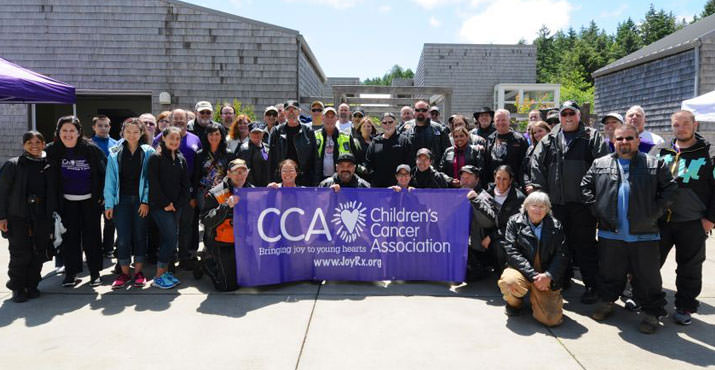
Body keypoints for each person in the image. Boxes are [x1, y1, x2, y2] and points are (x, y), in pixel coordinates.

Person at [582, 123, 677, 334]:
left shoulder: (655, 164)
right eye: (619, 138)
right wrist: (598, 210)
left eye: (628, 138)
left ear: (637, 140)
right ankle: (607, 303)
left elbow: (670, 189)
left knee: (648, 277)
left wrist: (655, 212)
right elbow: (585, 187)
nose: (624, 142)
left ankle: (651, 314)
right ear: (613, 141)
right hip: (610, 232)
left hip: (644, 234)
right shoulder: (600, 163)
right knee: (609, 273)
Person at [530, 100, 609, 304]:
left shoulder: (592, 137)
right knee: (558, 245)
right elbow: (537, 167)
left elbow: (603, 167)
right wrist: (542, 198)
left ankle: (592, 285)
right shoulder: (549, 140)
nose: (567, 118)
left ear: (578, 116)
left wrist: (594, 197)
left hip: (583, 205)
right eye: (564, 114)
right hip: (556, 204)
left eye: (571, 114)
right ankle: (561, 280)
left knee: (585, 246)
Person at [651, 110, 715, 325]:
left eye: (686, 123)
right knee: (651, 263)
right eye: (677, 125)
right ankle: (650, 302)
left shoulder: (708, 154)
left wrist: (710, 219)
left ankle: (685, 306)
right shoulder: (662, 151)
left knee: (690, 267)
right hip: (661, 221)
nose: (681, 128)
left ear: (694, 124)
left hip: (692, 222)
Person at [45, 116, 107, 287]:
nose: (68, 134)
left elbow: (104, 173)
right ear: (58, 132)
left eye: (72, 130)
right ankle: (71, 273)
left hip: (89, 202)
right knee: (70, 239)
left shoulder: (91, 149)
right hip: (66, 202)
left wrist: (102, 196)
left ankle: (95, 273)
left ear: (79, 132)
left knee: (92, 238)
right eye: (64, 130)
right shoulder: (52, 150)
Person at [498, 191, 568, 327]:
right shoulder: (514, 222)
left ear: (547, 209)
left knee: (552, 320)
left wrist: (549, 275)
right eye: (534, 205)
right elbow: (511, 251)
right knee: (509, 281)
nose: (537, 210)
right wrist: (533, 275)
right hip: (522, 271)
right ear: (526, 206)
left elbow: (562, 254)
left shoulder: (556, 226)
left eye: (542, 207)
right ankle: (515, 303)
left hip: (544, 275)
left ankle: (537, 300)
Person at [0, 131, 56, 302]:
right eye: (29, 142)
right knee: (20, 253)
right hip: (18, 216)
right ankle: (18, 287)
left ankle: (32, 285)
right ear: (23, 145)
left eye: (38, 142)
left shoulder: (48, 165)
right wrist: (2, 217)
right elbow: (2, 193)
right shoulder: (13, 165)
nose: (34, 145)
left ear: (44, 144)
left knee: (38, 252)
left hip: (42, 217)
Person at [104, 118, 155, 289]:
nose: (131, 135)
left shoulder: (148, 152)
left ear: (141, 133)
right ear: (122, 132)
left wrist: (145, 201)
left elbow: (150, 178)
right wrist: (109, 204)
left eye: (135, 131)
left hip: (140, 202)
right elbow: (110, 180)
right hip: (121, 202)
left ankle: (139, 272)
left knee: (140, 236)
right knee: (123, 238)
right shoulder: (114, 152)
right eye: (128, 131)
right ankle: (124, 273)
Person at [153, 109, 202, 271]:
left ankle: (184, 257)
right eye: (177, 118)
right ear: (171, 119)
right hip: (165, 197)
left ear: (188, 120)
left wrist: (192, 194)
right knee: (169, 231)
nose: (180, 121)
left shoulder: (195, 139)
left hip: (186, 193)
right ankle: (169, 260)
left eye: (183, 118)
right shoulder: (160, 139)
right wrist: (165, 200)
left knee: (186, 227)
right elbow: (154, 177)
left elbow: (197, 169)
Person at [200, 158, 253, 291]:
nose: (240, 175)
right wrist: (225, 206)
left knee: (254, 279)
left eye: (243, 171)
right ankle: (207, 263)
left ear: (248, 173)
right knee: (228, 286)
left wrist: (274, 190)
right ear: (228, 173)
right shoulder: (215, 193)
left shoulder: (253, 191)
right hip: (222, 243)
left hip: (245, 242)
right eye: (236, 172)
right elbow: (206, 220)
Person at [148, 126, 191, 289]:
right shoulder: (155, 158)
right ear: (163, 139)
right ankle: (158, 276)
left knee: (169, 239)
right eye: (171, 138)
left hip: (177, 207)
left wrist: (177, 204)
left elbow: (185, 185)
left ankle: (165, 272)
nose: (174, 141)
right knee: (171, 239)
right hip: (160, 207)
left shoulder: (181, 158)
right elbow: (154, 184)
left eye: (178, 138)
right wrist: (166, 204)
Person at [482, 165, 525, 272]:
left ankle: (503, 276)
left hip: (506, 235)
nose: (501, 181)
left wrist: (492, 237)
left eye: (505, 179)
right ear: (494, 177)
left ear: (511, 180)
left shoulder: (518, 198)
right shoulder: (487, 192)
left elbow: (514, 226)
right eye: (498, 178)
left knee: (499, 246)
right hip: (487, 231)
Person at [268, 100, 319, 186]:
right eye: (288, 110)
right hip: (282, 179)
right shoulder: (276, 131)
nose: (291, 112)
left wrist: (315, 182)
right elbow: (271, 159)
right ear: (284, 112)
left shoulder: (308, 131)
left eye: (294, 109)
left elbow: (315, 158)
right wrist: (271, 181)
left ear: (299, 111)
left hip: (304, 179)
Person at [90, 115, 118, 259]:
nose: (103, 128)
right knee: (93, 222)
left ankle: (108, 248)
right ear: (94, 127)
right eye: (100, 125)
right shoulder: (89, 144)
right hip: (94, 189)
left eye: (106, 125)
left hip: (111, 188)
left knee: (110, 221)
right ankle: (94, 249)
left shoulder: (116, 144)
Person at [193, 124, 236, 211]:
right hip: (204, 193)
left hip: (222, 191)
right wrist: (193, 196)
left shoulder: (229, 154)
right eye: (211, 134)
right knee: (206, 219)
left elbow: (232, 176)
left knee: (221, 218)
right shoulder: (200, 154)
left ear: (221, 136)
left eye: (217, 134)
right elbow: (196, 176)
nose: (214, 137)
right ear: (207, 136)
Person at [484, 109, 529, 185]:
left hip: (514, 185)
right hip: (494, 184)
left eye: (503, 120)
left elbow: (525, 164)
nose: (500, 123)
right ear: (494, 122)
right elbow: (486, 163)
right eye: (498, 120)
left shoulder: (519, 139)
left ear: (509, 121)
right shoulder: (490, 139)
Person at [365, 113, 410, 188]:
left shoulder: (404, 141)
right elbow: (369, 162)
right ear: (381, 125)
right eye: (384, 123)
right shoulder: (376, 141)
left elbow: (409, 162)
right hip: (379, 187)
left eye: (390, 122)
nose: (387, 125)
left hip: (399, 187)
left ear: (395, 122)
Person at [403, 100, 451, 164]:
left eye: (424, 110)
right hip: (411, 170)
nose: (420, 112)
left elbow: (447, 151)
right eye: (418, 110)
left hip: (433, 170)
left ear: (428, 112)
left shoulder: (439, 129)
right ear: (414, 112)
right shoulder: (405, 127)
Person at [314, 107, 353, 181]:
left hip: (340, 179)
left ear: (337, 119)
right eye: (327, 117)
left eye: (332, 117)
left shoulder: (346, 137)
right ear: (322, 118)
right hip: (319, 178)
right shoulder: (315, 136)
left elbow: (354, 159)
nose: (329, 119)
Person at [522, 120, 551, 187]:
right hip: (532, 189)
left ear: (548, 131)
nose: (537, 134)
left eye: (540, 131)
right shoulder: (530, 150)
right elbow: (524, 170)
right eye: (534, 132)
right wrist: (528, 184)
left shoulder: (554, 148)